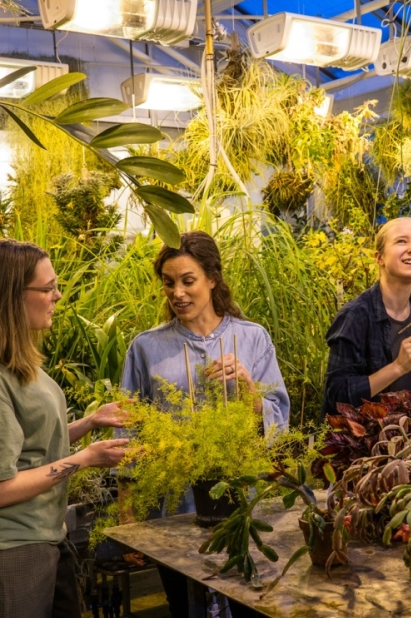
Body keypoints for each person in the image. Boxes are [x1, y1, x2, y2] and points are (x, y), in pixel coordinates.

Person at [0, 239, 133, 618]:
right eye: (47, 289)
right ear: (10, 296)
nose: (57, 296)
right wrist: (85, 459)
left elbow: (27, 441)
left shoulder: (14, 361)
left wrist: (90, 423)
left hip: (42, 537)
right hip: (2, 549)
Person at [119, 231, 291, 618]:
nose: (177, 292)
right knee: (184, 605)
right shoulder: (146, 348)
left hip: (244, 504)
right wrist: (128, 518)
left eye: (188, 280)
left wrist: (248, 388)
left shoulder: (251, 338)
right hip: (176, 506)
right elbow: (127, 434)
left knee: (254, 602)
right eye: (168, 282)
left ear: (213, 278)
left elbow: (278, 423)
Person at [323, 217, 411, 417]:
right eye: (401, 241)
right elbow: (337, 397)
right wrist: (398, 367)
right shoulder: (355, 316)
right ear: (379, 257)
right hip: (361, 439)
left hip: (405, 434)